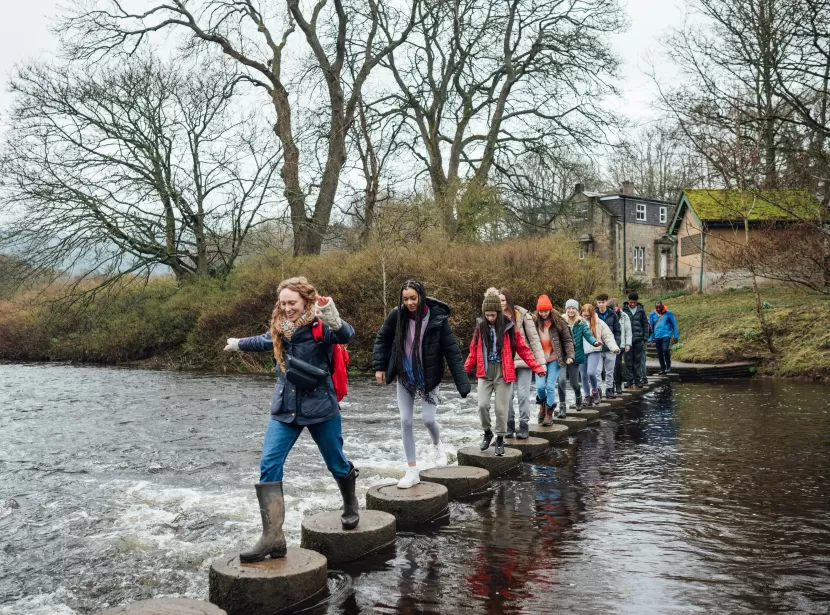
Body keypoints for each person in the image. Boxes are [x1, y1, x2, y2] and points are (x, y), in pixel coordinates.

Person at [223, 277, 357, 563]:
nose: (287, 308)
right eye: (283, 303)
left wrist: (334, 319)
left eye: (292, 303)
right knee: (269, 464)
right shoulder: (279, 329)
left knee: (336, 462)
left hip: (321, 408)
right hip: (285, 409)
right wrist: (238, 344)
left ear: (305, 301)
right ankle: (274, 537)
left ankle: (350, 502)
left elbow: (346, 335)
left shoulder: (321, 325)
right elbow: (262, 341)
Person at [373, 280, 471, 489]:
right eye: (405, 299)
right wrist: (380, 367)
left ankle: (437, 444)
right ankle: (412, 470)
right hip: (405, 375)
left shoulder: (437, 319)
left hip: (429, 376)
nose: (409, 303)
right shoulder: (396, 315)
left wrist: (462, 382)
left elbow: (452, 352)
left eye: (413, 298)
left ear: (421, 296)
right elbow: (382, 339)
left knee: (428, 420)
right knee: (406, 421)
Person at [465, 288, 545, 456]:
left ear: (499, 313)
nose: (490, 318)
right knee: (482, 406)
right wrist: (463, 371)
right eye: (487, 315)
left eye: (493, 315)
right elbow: (473, 351)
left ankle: (500, 438)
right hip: (485, 372)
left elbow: (523, 349)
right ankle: (487, 432)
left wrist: (537, 367)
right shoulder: (480, 327)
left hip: (503, 371)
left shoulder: (509, 327)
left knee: (501, 409)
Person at [499, 288, 545, 439]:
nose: (501, 303)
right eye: (499, 300)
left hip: (524, 361)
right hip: (506, 362)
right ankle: (510, 425)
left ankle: (524, 426)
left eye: (504, 300)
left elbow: (534, 340)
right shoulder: (495, 317)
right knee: (507, 396)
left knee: (523, 395)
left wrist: (541, 364)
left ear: (509, 300)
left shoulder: (523, 315)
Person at [534, 295, 575, 421]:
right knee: (540, 387)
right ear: (538, 311)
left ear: (550, 310)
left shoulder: (559, 321)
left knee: (550, 386)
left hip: (555, 359)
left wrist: (570, 356)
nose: (544, 314)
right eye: (541, 311)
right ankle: (542, 405)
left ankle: (548, 412)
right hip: (539, 360)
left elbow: (568, 340)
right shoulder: (533, 321)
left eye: (546, 311)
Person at [562, 299, 600, 409]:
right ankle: (562, 406)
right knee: (562, 381)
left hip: (575, 356)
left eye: (573, 308)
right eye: (569, 308)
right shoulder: (561, 321)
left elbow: (588, 335)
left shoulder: (581, 322)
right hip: (562, 356)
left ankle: (578, 397)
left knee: (574, 383)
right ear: (566, 309)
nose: (571, 310)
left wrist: (594, 342)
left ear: (577, 310)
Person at [581, 304, 620, 405]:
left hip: (594, 350)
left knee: (591, 372)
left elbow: (608, 336)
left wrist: (614, 348)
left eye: (588, 315)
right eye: (584, 315)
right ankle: (586, 397)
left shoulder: (599, 323)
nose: (586, 317)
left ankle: (595, 391)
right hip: (581, 352)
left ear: (592, 313)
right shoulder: (578, 322)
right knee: (583, 376)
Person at [595, 293, 622, 399]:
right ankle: (597, 390)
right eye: (599, 302)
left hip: (610, 347)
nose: (601, 304)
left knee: (609, 371)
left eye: (603, 302)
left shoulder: (613, 314)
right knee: (597, 371)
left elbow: (618, 331)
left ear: (606, 302)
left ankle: (609, 390)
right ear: (596, 303)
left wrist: (617, 345)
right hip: (597, 348)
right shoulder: (593, 314)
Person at [622, 292, 649, 388]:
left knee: (637, 361)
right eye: (631, 302)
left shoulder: (641, 311)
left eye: (634, 302)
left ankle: (638, 380)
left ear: (637, 301)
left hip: (638, 340)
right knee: (628, 361)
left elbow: (645, 325)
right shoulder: (623, 311)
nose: (633, 304)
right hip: (627, 342)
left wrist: (645, 338)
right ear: (628, 300)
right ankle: (629, 380)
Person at [649, 300, 680, 373]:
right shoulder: (652, 314)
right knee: (659, 352)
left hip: (666, 334)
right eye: (657, 307)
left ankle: (668, 366)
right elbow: (651, 327)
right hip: (657, 335)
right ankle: (663, 368)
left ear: (662, 306)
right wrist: (651, 338)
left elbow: (674, 324)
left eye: (660, 307)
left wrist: (676, 335)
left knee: (665, 349)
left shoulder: (668, 313)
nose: (658, 309)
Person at [609, 297, 631, 394]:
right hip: (609, 344)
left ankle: (618, 384)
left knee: (617, 365)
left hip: (620, 344)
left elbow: (628, 331)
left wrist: (627, 344)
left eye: (614, 309)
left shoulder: (624, 316)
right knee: (610, 367)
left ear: (618, 307)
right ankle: (610, 386)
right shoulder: (607, 315)